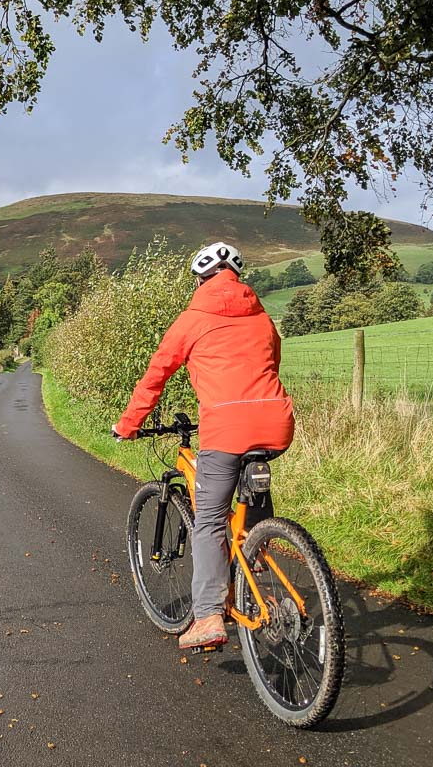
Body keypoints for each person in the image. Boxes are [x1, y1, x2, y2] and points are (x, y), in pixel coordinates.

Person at [111, 242, 295, 650]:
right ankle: (257, 549)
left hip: (227, 426)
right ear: (238, 278)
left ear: (200, 280)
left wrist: (128, 425)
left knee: (210, 521)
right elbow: (270, 362)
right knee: (249, 493)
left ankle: (209, 615)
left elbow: (155, 375)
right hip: (277, 422)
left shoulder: (192, 319)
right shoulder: (263, 317)